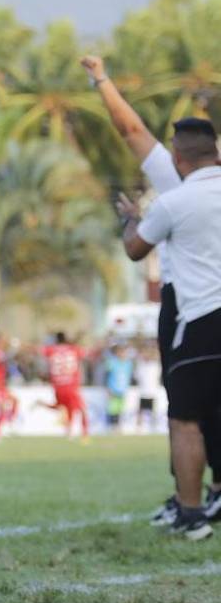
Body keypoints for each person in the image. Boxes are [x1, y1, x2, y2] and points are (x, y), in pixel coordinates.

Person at [82, 55, 221, 525]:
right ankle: (209, 493)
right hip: (198, 305)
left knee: (185, 409)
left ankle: (191, 506)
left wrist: (100, 78)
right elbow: (131, 129)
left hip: (190, 307)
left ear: (180, 155)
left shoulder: (176, 188)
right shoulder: (186, 175)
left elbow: (131, 130)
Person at [118, 116, 221, 539]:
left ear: (178, 158)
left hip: (200, 319)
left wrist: (129, 218)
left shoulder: (175, 202)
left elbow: (135, 249)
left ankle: (192, 513)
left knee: (185, 420)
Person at [38, 332, 89, 441]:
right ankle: (84, 434)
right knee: (81, 409)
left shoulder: (51, 349)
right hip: (71, 386)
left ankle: (69, 432)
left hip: (57, 386)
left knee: (63, 407)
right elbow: (87, 353)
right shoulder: (73, 349)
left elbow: (37, 350)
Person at [104, 342, 135, 432]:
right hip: (113, 390)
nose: (122, 354)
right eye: (120, 352)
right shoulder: (112, 362)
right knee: (112, 409)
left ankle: (118, 426)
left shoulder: (128, 364)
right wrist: (108, 388)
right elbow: (106, 375)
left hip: (123, 390)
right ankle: (111, 426)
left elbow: (129, 377)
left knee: (120, 409)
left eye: (123, 352)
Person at [135, 341, 161, 433]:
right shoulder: (141, 365)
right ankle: (139, 427)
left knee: (153, 411)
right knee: (140, 411)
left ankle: (154, 426)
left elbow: (157, 356)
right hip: (143, 392)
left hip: (153, 392)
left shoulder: (155, 365)